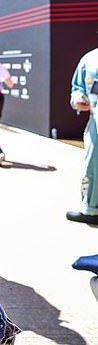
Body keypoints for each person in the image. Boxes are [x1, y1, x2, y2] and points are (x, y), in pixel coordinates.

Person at [66, 47, 98, 225]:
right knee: (93, 164)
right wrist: (78, 99)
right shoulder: (90, 59)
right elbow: (78, 88)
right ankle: (91, 209)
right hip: (96, 122)